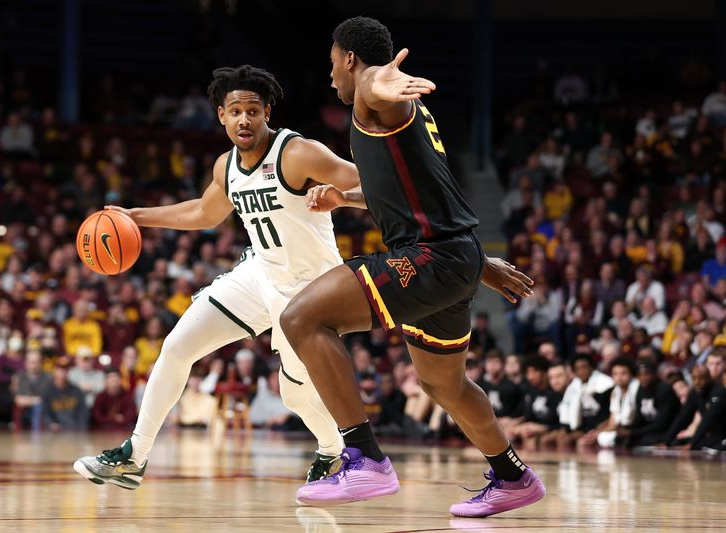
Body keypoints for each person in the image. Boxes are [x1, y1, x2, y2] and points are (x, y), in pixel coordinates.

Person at [74, 64, 531, 494]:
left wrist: (475, 260)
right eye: (235, 111)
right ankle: (135, 456)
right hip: (259, 274)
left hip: (311, 287)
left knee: (294, 397)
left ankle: (333, 450)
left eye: (253, 110)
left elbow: (383, 191)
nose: (244, 119)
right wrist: (133, 216)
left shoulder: (299, 152)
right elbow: (202, 211)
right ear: (221, 116)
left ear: (267, 112)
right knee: (176, 347)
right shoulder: (225, 166)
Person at [279, 17, 542, 516]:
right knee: (444, 384)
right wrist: (347, 198)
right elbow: (418, 194)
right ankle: (513, 477)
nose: (331, 72)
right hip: (454, 257)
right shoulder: (400, 118)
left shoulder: (372, 96)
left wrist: (382, 79)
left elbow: (378, 86)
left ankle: (363, 458)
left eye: (334, 61)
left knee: (301, 318)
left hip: (426, 258)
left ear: (350, 59)